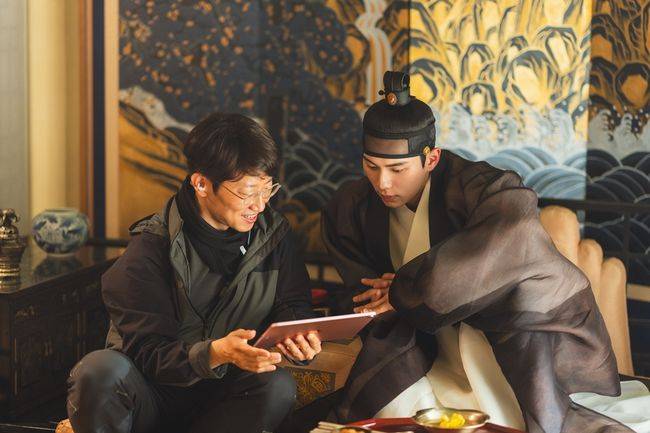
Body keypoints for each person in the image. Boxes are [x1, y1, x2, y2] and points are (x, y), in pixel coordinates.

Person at [322, 71, 631, 433]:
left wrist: (405, 290)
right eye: (371, 166)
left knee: (513, 416)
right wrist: (390, 299)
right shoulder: (353, 205)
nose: (382, 183)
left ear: (432, 159)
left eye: (397, 168)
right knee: (394, 412)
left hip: (497, 325)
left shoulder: (482, 187)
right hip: (419, 335)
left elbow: (511, 234)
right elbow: (364, 288)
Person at [67, 113, 322, 433]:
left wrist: (297, 335)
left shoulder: (274, 236)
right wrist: (214, 353)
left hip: (221, 399)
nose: (259, 205)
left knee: (277, 385)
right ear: (201, 184)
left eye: (267, 190)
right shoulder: (150, 249)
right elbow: (149, 353)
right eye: (247, 193)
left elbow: (292, 303)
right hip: (151, 397)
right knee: (98, 371)